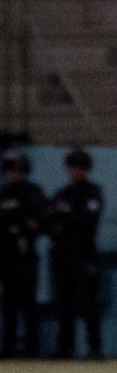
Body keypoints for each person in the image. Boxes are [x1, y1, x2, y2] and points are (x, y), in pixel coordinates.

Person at [48, 149, 104, 359]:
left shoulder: (93, 192)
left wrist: (65, 219)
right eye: (72, 167)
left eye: (78, 168)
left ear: (86, 170)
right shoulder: (63, 194)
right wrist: (66, 220)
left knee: (90, 304)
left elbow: (86, 219)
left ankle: (95, 348)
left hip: (85, 255)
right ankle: (66, 349)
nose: (74, 171)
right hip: (64, 256)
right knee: (65, 305)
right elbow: (49, 221)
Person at [1, 149, 48, 358]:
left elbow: (41, 223)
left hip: (26, 256)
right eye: (10, 170)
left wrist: (21, 226)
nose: (13, 174)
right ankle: (9, 348)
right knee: (8, 307)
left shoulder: (33, 193)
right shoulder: (3, 194)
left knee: (28, 305)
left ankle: (32, 348)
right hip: (5, 258)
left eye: (17, 170)